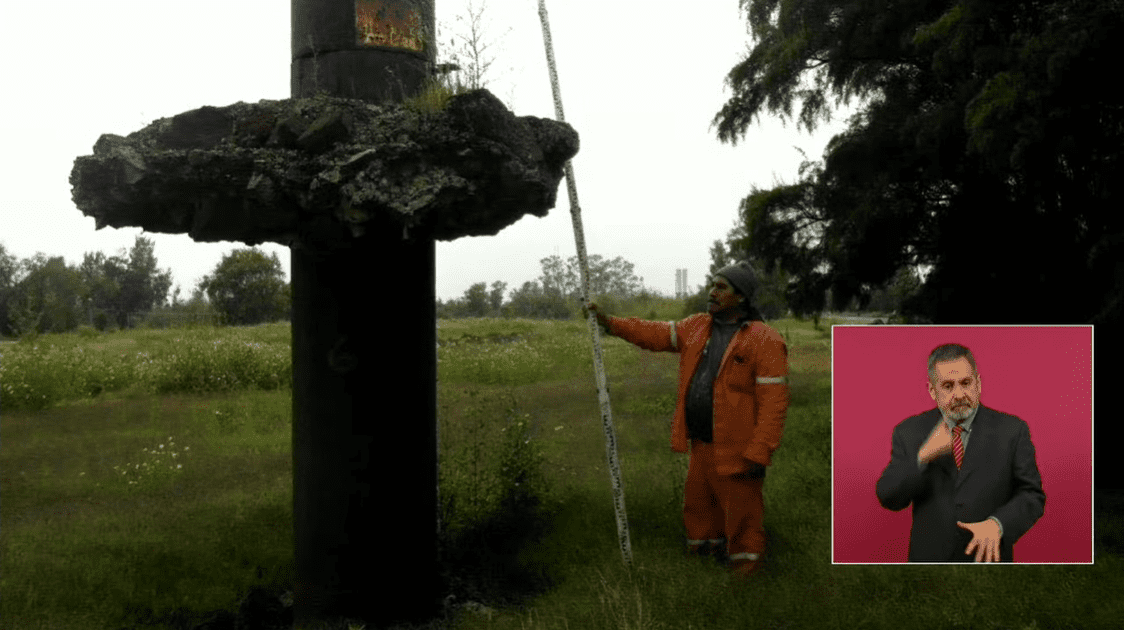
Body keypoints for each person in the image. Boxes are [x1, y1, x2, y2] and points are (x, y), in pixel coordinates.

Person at [583, 261, 789, 577]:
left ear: (742, 297)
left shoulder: (765, 340)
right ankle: (704, 566)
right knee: (699, 509)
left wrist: (760, 452)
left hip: (739, 450)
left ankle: (747, 578)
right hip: (701, 444)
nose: (712, 291)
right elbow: (653, 334)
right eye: (712, 285)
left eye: (721, 287)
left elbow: (774, 404)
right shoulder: (696, 327)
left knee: (742, 516)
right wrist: (609, 323)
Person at [875, 343, 1046, 562]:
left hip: (988, 562)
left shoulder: (1013, 430)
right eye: (948, 386)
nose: (959, 394)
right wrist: (923, 455)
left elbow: (1032, 495)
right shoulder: (908, 432)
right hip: (929, 564)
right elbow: (888, 497)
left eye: (966, 383)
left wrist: (998, 524)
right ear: (932, 391)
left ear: (979, 383)